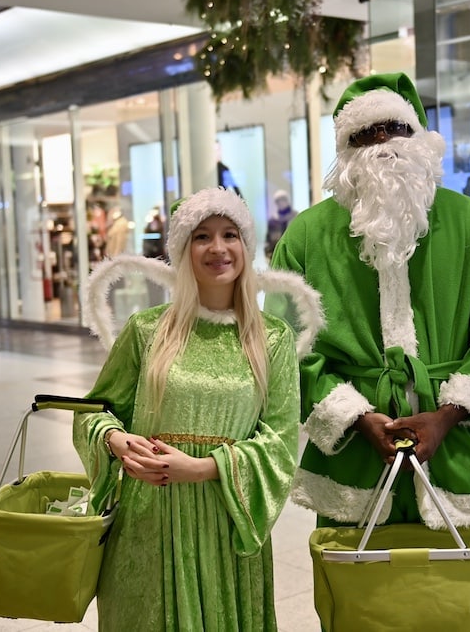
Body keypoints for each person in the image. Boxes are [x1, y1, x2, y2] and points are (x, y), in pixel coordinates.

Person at [268, 72, 470, 530]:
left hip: (459, 452)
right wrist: (354, 417)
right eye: (365, 135)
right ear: (346, 153)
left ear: (421, 138)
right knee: (357, 595)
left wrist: (449, 415)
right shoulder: (306, 236)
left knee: (460, 594)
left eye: (396, 128)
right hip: (352, 462)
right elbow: (285, 343)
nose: (383, 143)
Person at [72, 187, 317, 631]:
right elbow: (93, 410)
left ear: (246, 245)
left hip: (226, 519)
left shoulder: (272, 339)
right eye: (202, 236)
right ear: (183, 250)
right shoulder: (146, 331)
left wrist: (204, 467)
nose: (218, 248)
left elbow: (280, 442)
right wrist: (115, 439)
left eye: (230, 234)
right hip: (148, 517)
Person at [264, 190, 298, 261]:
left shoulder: (296, 217)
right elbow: (268, 240)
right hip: (276, 256)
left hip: (293, 255)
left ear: (287, 201)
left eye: (282, 200)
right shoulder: (273, 220)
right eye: (278, 201)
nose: (280, 203)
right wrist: (268, 256)